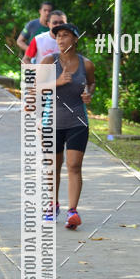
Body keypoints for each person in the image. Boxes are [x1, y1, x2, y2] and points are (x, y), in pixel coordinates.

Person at [40, 22, 95, 229]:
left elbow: (91, 83)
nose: (61, 40)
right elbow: (33, 88)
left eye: (65, 35)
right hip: (52, 121)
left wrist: (89, 93)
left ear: (75, 39)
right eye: (58, 36)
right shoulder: (48, 61)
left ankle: (72, 211)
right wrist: (57, 83)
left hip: (78, 121)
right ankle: (52, 205)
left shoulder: (86, 64)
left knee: (74, 166)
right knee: (53, 167)